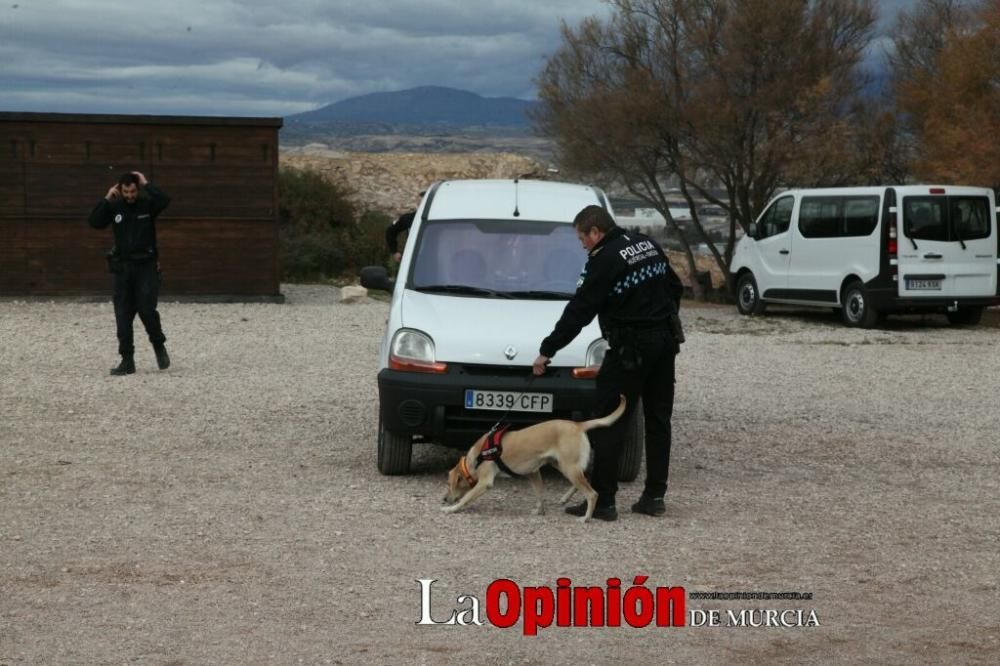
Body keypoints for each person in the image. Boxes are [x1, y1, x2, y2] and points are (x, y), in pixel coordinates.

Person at [532, 205, 684, 521]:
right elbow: (674, 286)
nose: (582, 245)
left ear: (595, 232)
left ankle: (604, 502)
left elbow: (580, 310)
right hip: (664, 342)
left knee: (609, 420)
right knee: (658, 419)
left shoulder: (604, 260)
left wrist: (548, 349)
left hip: (630, 348)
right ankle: (654, 496)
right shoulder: (647, 244)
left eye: (582, 239)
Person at [88, 171, 172, 376]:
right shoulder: (115, 206)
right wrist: (107, 198)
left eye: (133, 191)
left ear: (137, 188)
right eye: (126, 191)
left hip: (146, 267)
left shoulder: (147, 205)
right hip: (123, 269)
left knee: (146, 310)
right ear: (120, 189)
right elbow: (94, 221)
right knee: (123, 315)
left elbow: (164, 200)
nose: (130, 195)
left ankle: (158, 345)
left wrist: (146, 183)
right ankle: (127, 360)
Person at [384, 191, 424, 262]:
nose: (422, 205)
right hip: (413, 259)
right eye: (420, 203)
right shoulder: (409, 218)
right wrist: (394, 251)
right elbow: (390, 231)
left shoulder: (439, 218)